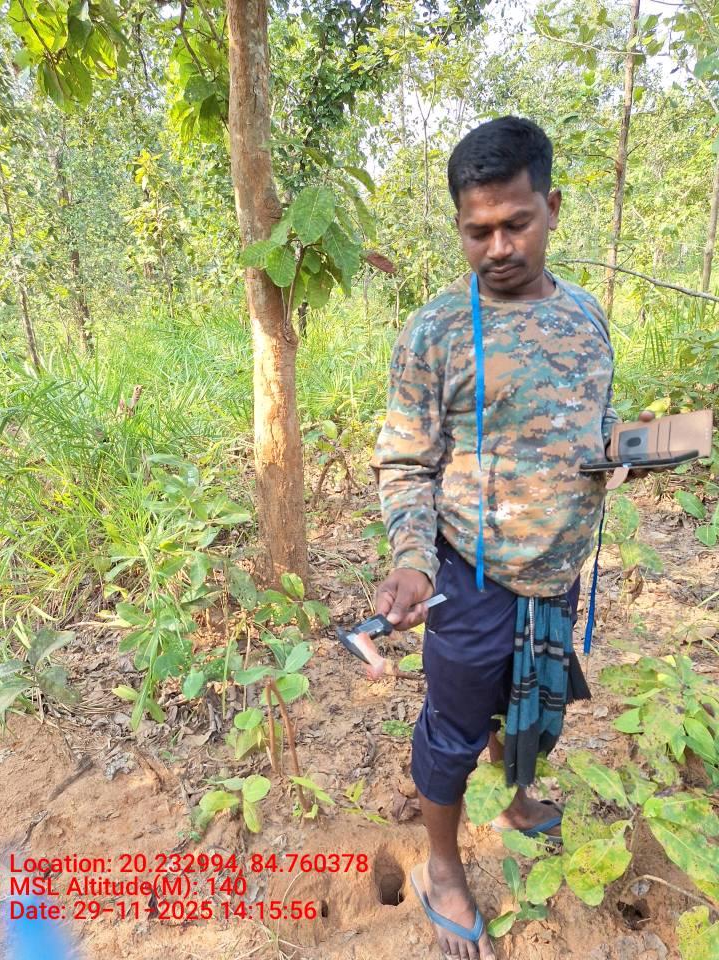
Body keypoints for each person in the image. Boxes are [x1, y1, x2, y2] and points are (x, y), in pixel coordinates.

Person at [366, 116, 653, 960]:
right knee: (454, 732)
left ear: (551, 208)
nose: (497, 247)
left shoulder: (586, 317)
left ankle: (519, 801)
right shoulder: (436, 333)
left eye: (515, 224)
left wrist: (623, 452)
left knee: (532, 707)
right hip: (469, 578)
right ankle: (444, 868)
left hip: (557, 573)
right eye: (477, 230)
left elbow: (590, 424)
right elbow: (406, 461)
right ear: (459, 225)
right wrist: (413, 561)